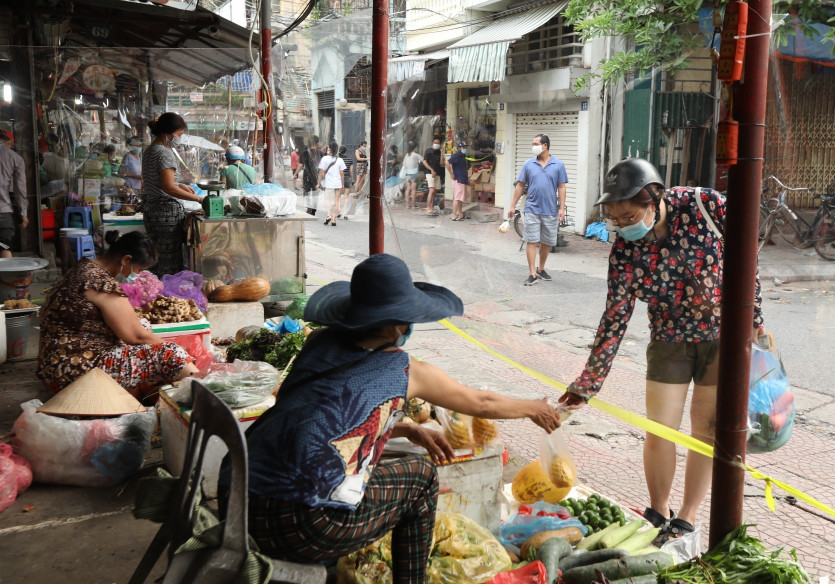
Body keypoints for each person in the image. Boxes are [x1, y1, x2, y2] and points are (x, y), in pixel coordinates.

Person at [222, 253, 560, 579]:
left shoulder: (318, 343)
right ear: (399, 322)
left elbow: (316, 415)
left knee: (378, 466)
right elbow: (481, 403)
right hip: (303, 528)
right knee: (421, 476)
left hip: (238, 504)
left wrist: (404, 428)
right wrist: (534, 407)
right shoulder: (404, 370)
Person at [558, 159, 765, 542]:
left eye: (629, 215)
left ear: (655, 198)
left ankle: (686, 517)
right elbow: (614, 318)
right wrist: (587, 384)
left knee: (704, 430)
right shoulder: (624, 250)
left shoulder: (704, 205)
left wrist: (754, 316)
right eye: (615, 218)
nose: (621, 225)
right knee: (659, 428)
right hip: (668, 339)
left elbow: (746, 252)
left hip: (723, 337)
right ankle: (658, 510)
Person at [37, 231, 198, 398]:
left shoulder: (85, 267)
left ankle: (153, 388)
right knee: (170, 353)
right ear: (126, 260)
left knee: (142, 324)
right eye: (138, 269)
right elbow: (136, 337)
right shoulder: (100, 282)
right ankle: (204, 392)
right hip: (74, 372)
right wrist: (181, 351)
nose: (137, 276)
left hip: (56, 362)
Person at [141, 113, 203, 276]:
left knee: (156, 257)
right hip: (166, 213)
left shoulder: (149, 150)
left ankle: (155, 293)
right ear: (168, 133)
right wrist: (199, 199)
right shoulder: (164, 152)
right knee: (170, 261)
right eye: (179, 134)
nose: (179, 138)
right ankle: (168, 295)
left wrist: (179, 185)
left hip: (152, 210)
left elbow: (158, 180)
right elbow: (168, 188)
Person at [508, 134, 567, 286]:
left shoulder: (558, 165)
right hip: (532, 209)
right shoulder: (528, 164)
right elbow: (520, 185)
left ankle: (541, 269)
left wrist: (561, 208)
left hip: (550, 210)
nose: (533, 146)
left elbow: (562, 187)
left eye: (535, 143)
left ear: (545, 145)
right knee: (531, 241)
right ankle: (532, 273)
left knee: (547, 242)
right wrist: (512, 205)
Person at [0, 129, 28, 258]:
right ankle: (7, 278)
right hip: (2, 212)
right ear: (9, 142)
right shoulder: (15, 158)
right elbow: (19, 188)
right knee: (4, 247)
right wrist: (23, 214)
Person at [319, 147, 347, 226]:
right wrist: (343, 184)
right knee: (337, 201)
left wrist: (320, 182)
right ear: (337, 150)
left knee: (327, 199)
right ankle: (334, 219)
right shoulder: (340, 160)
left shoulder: (324, 159)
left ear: (330, 150)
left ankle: (328, 215)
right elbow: (342, 173)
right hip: (337, 184)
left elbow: (321, 171)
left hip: (328, 184)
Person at [446, 140, 468, 221]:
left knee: (460, 198)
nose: (465, 148)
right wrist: (451, 173)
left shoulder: (462, 156)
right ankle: (454, 215)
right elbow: (447, 163)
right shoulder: (457, 155)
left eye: (465, 147)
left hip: (462, 179)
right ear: (459, 148)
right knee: (457, 198)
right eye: (463, 147)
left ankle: (460, 214)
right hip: (458, 179)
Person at [423, 138, 444, 217]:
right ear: (432, 142)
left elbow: (442, 163)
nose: (436, 144)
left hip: (437, 173)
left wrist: (442, 152)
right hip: (430, 173)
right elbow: (424, 161)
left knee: (435, 191)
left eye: (438, 143)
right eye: (435, 142)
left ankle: (432, 207)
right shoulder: (428, 151)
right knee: (431, 190)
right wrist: (431, 170)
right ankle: (428, 208)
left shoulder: (439, 152)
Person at [302, 137, 322, 216]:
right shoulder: (320, 153)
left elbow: (301, 164)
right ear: (317, 143)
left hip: (306, 174)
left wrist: (296, 174)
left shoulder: (304, 153)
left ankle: (308, 207)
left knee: (306, 191)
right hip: (316, 175)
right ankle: (313, 208)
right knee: (315, 192)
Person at [402, 141, 423, 209]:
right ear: (415, 147)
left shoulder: (407, 155)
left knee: (407, 189)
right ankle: (413, 204)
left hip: (407, 173)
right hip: (414, 173)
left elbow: (404, 164)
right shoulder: (416, 155)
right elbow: (423, 160)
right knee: (413, 189)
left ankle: (407, 205)